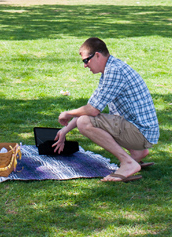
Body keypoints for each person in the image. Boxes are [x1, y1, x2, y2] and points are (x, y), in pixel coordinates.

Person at [53, 37, 160, 183]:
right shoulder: (110, 70)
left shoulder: (114, 71)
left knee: (85, 122)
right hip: (142, 131)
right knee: (86, 118)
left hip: (141, 133)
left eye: (86, 60)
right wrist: (64, 131)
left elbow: (92, 110)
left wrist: (67, 113)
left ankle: (128, 163)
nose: (85, 65)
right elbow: (90, 107)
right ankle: (137, 153)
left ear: (97, 55)